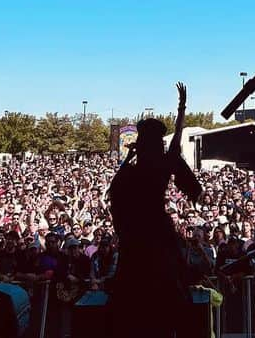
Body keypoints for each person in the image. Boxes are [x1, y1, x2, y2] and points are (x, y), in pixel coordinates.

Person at [108, 82, 203, 338]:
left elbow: (114, 195)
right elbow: (178, 136)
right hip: (158, 232)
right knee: (174, 282)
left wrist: (128, 158)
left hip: (136, 237)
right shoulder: (162, 163)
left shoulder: (130, 171)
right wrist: (182, 107)